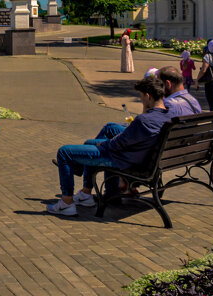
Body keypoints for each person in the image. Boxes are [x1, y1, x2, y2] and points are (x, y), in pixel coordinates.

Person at [47, 77, 172, 217]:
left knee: (64, 152)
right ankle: (89, 194)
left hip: (123, 158)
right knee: (90, 142)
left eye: (141, 97)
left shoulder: (144, 120)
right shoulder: (170, 115)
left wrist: (104, 143)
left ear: (148, 96)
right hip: (140, 156)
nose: (141, 100)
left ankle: (66, 203)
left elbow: (118, 143)